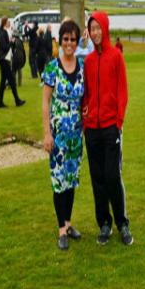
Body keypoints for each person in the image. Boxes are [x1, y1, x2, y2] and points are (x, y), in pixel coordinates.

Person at [82, 11, 132, 246]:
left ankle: (122, 223)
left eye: (98, 27)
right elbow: (86, 95)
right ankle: (104, 223)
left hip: (111, 127)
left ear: (105, 28)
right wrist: (86, 119)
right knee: (98, 178)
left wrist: (118, 122)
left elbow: (123, 92)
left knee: (113, 176)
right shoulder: (89, 61)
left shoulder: (116, 57)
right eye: (92, 29)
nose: (95, 32)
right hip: (92, 129)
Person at [42, 19, 85, 250]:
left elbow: (84, 100)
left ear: (77, 42)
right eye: (66, 39)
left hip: (76, 136)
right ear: (60, 40)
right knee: (59, 182)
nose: (69, 43)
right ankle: (61, 229)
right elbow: (45, 102)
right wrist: (47, 133)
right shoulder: (51, 68)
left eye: (73, 39)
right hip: (58, 136)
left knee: (70, 180)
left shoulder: (82, 67)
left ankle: (69, 223)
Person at [0, 16, 25, 108]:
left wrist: (12, 43)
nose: (9, 23)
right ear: (5, 23)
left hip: (5, 59)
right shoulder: (2, 33)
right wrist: (11, 42)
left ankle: (0, 102)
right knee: (11, 80)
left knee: (3, 81)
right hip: (3, 59)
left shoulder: (5, 32)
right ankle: (17, 101)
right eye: (8, 22)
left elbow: (8, 48)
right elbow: (4, 47)